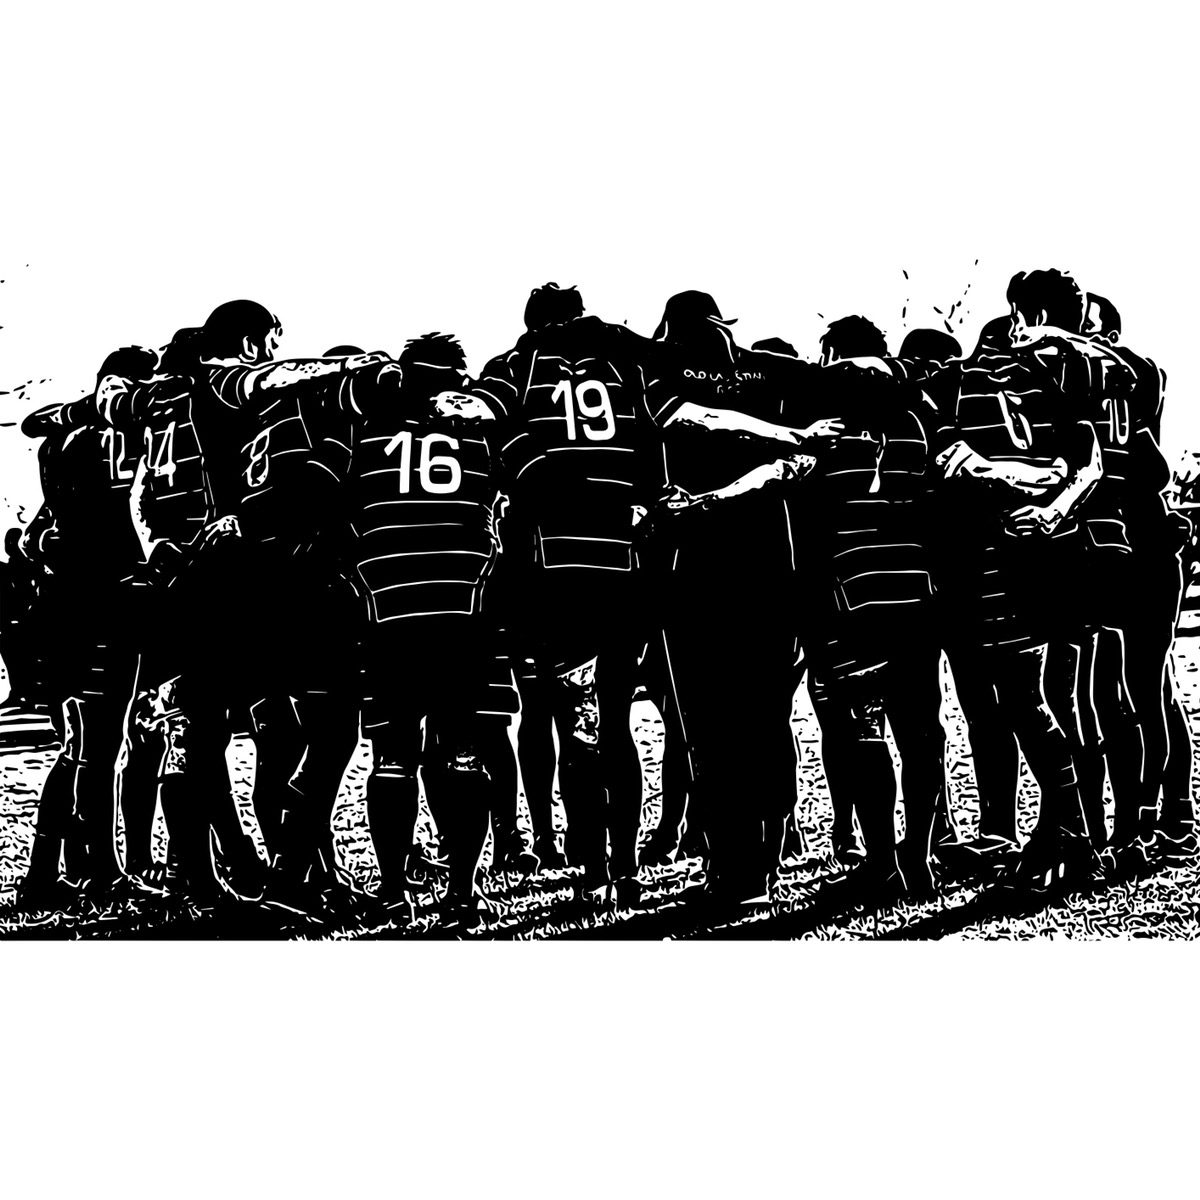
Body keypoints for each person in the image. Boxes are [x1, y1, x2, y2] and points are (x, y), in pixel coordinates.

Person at [472, 283, 663, 911]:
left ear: (531, 325)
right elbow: (653, 459)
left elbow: (496, 446)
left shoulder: (514, 367)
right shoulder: (625, 368)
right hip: (624, 566)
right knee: (614, 721)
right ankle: (625, 866)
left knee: (564, 719)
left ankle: (587, 862)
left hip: (554, 573)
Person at [651, 290, 843, 910]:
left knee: (714, 727)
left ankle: (737, 869)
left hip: (702, 572)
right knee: (760, 720)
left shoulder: (665, 370)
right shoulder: (770, 374)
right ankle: (759, 862)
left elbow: (694, 418)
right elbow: (841, 389)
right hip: (767, 571)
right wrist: (793, 436)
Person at [934, 271, 1108, 891]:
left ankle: (1075, 839)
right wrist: (1047, 491)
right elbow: (1076, 466)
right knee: (1043, 704)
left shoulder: (976, 381)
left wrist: (1031, 493)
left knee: (1027, 705)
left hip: (1007, 563)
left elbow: (961, 465)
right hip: (1047, 556)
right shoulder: (1061, 376)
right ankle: (1064, 837)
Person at [340, 333, 505, 927]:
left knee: (392, 757)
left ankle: (392, 892)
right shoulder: (481, 431)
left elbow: (344, 518)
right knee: (461, 754)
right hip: (464, 608)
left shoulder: (363, 432)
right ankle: (462, 892)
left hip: (388, 610)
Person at [16, 346, 159, 910]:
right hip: (112, 596)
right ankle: (100, 869)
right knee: (103, 742)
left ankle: (48, 869)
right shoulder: (127, 436)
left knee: (80, 742)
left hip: (65, 600)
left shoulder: (59, 437)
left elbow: (47, 524)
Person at [1080, 293, 1195, 866]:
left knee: (1146, 691)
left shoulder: (1133, 377)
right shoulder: (1085, 391)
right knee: (1123, 692)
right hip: (1111, 552)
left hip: (1144, 551)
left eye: (1090, 332)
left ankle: (1162, 817)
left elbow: (1153, 468)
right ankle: (1158, 815)